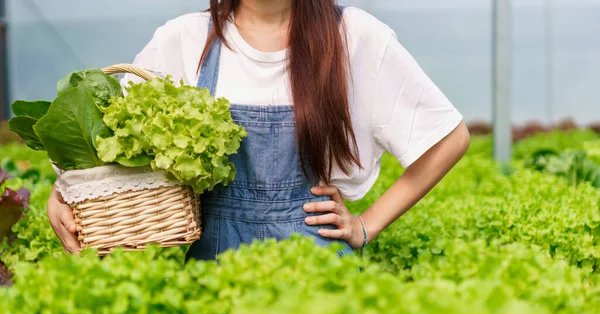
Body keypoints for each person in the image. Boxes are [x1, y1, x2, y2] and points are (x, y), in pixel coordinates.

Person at [47, 0, 470, 260]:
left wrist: (367, 224)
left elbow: (448, 138)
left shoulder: (355, 37)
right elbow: (105, 139)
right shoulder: (185, 38)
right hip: (211, 268)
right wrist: (62, 194)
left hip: (315, 263)